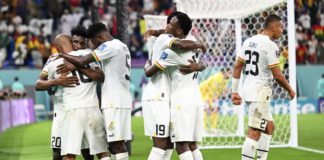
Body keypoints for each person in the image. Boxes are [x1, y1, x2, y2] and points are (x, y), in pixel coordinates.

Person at [58, 22, 132, 160]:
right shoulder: (122, 45)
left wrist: (63, 54)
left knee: (115, 144)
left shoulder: (108, 46)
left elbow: (81, 61)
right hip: (122, 98)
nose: (94, 46)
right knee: (114, 144)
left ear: (98, 37)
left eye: (92, 42)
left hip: (113, 101)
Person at [231, 14, 295, 160]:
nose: (282, 31)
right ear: (273, 27)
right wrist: (290, 89)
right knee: (255, 131)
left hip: (250, 90)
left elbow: (238, 66)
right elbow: (278, 75)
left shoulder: (249, 41)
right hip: (259, 92)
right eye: (281, 27)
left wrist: (235, 91)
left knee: (269, 126)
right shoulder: (270, 45)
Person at [143, 13, 206, 160]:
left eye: (170, 24)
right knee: (188, 144)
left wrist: (147, 66)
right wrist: (200, 61)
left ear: (178, 31)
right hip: (192, 98)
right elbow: (202, 57)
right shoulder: (193, 42)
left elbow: (149, 72)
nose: (166, 26)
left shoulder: (172, 51)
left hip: (179, 100)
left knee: (179, 145)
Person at [35, 26, 96, 160]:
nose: (77, 46)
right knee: (58, 153)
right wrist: (56, 82)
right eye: (74, 42)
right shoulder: (53, 60)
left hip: (82, 108)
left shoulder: (87, 56)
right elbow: (39, 83)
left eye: (80, 43)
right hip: (62, 112)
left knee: (87, 152)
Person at [52, 34, 109, 160]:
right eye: (74, 42)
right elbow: (101, 76)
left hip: (73, 110)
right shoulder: (90, 56)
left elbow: (41, 85)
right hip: (93, 108)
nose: (77, 45)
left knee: (68, 154)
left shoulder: (56, 61)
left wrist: (55, 82)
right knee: (102, 152)